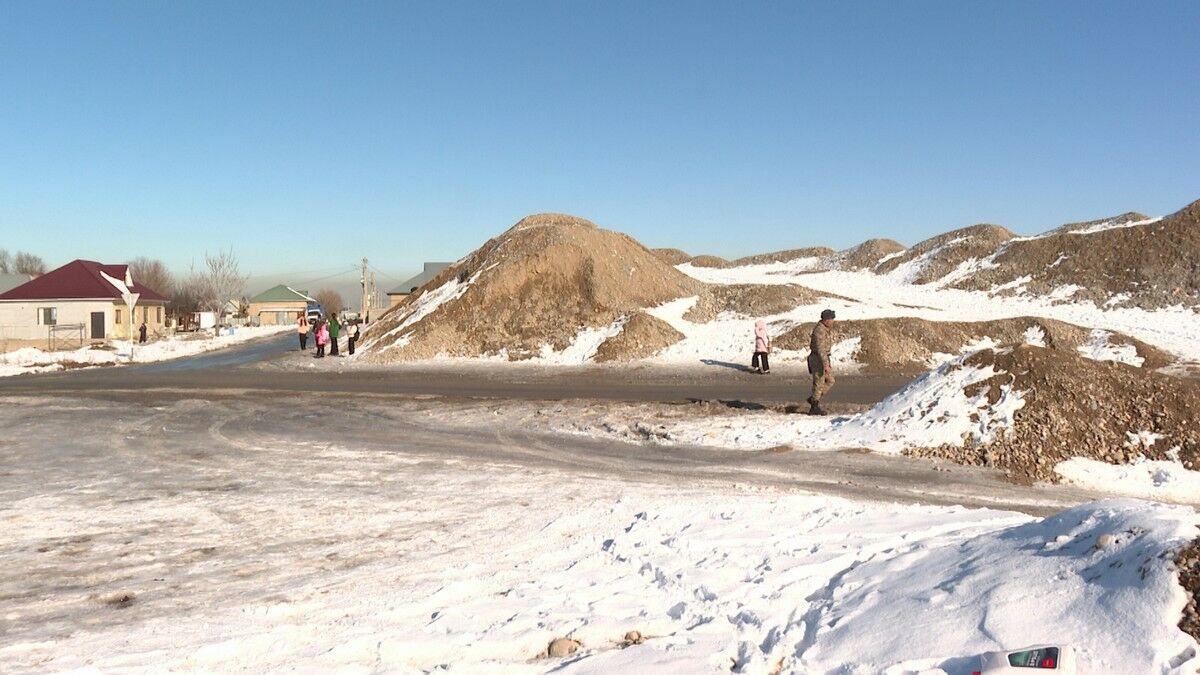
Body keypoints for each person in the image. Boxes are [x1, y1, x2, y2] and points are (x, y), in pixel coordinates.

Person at [807, 309, 836, 415]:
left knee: (830, 380)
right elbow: (820, 349)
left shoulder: (825, 329)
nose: (832, 321)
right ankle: (814, 407)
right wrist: (825, 364)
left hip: (824, 357)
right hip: (818, 359)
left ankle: (814, 398)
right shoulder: (820, 330)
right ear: (826, 320)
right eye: (831, 319)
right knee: (819, 382)